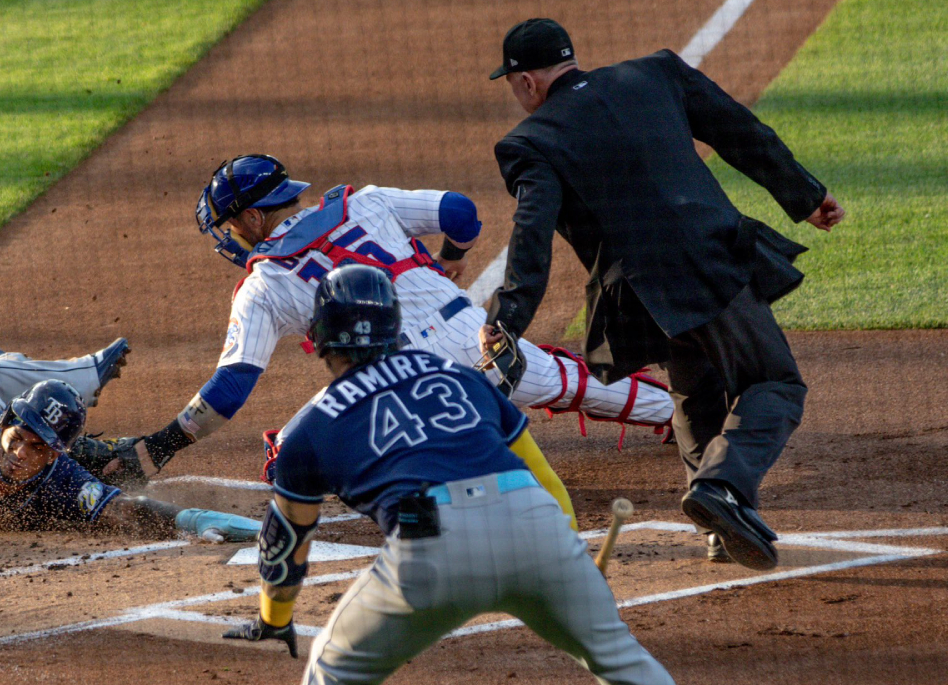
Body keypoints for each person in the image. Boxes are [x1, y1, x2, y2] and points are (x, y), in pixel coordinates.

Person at [106, 154, 678, 525]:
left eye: (231, 225)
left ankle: (424, 491)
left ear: (254, 219)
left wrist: (158, 446)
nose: (230, 238)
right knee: (568, 383)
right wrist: (450, 261)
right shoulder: (362, 202)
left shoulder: (265, 283)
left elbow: (230, 388)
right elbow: (460, 212)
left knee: (287, 455)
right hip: (482, 345)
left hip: (398, 387)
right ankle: (686, 413)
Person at [484, 18, 846, 569]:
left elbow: (530, 232)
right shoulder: (656, 74)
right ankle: (722, 490)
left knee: (693, 391)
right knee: (773, 381)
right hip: (707, 261)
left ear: (526, 81)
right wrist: (805, 195)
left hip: (635, 296)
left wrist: (506, 317)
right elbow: (739, 131)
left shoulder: (529, 142)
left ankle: (720, 527)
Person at [221, 266, 679, 685]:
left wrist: (274, 617)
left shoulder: (310, 431)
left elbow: (284, 541)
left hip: (433, 543)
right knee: (622, 662)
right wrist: (569, 551)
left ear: (319, 337)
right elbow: (543, 479)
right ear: (393, 323)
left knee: (331, 670)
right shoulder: (461, 377)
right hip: (534, 523)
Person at [0, 341, 259, 566]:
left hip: (22, 424)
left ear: (54, 456)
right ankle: (73, 370)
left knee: (102, 468)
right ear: (6, 424)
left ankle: (8, 366)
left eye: (37, 448)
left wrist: (191, 519)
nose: (18, 452)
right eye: (16, 437)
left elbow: (124, 509)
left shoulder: (63, 474)